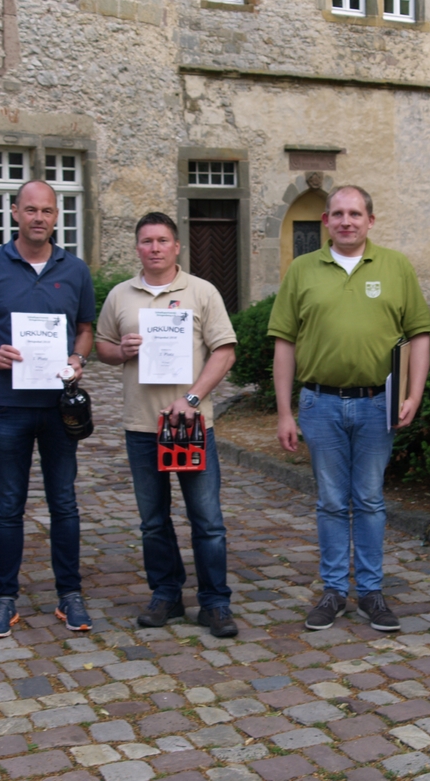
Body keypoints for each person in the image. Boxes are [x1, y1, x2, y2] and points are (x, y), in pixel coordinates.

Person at [268, 185, 430, 632]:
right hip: (319, 404)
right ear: (326, 220)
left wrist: (414, 394)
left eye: (355, 214)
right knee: (331, 502)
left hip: (378, 404)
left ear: (370, 221)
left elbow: (420, 334)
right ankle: (334, 590)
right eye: (338, 214)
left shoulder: (396, 267)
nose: (346, 221)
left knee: (371, 499)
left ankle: (372, 592)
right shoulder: (302, 270)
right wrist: (284, 412)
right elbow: (284, 343)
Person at [0, 180, 96, 638]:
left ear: (57, 216)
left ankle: (69, 594)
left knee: (64, 503)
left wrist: (78, 357)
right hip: (9, 405)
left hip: (59, 407)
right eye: (31, 209)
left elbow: (85, 329)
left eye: (47, 211)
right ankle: (4, 598)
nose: (39, 218)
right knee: (8, 505)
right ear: (15, 212)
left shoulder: (74, 270)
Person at [95, 212, 239, 638]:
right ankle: (166, 594)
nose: (154, 248)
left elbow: (225, 352)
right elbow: (102, 347)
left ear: (177, 246)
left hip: (191, 424)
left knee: (207, 520)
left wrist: (192, 399)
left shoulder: (202, 291)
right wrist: (120, 351)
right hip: (143, 425)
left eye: (162, 240)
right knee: (153, 520)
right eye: (147, 241)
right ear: (137, 248)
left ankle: (215, 602)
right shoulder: (120, 295)